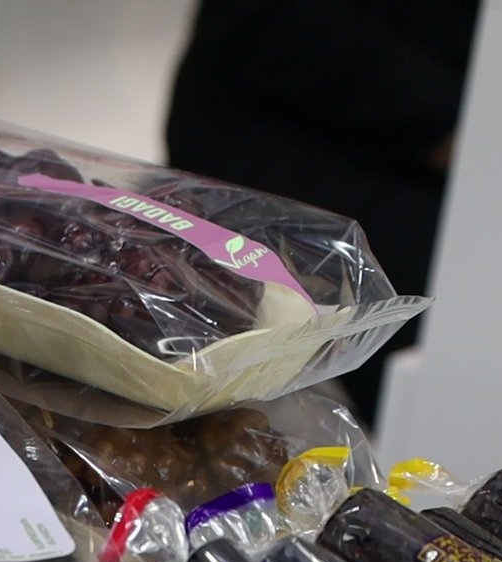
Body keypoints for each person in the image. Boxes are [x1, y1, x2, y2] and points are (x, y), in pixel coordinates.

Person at [167, 0, 481, 426]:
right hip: (293, 122)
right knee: (462, 301)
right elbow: (277, 22)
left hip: (436, 115)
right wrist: (451, 121)